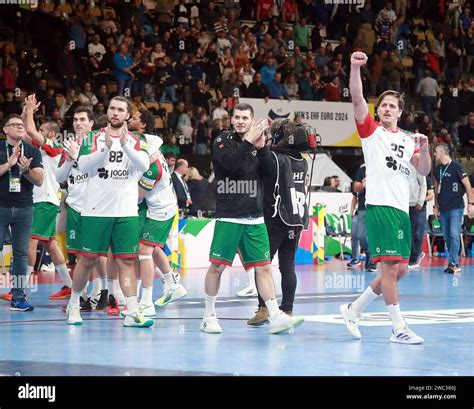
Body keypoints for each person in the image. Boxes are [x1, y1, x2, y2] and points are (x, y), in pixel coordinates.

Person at [340, 51, 431, 345]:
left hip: (401, 209)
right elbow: (356, 98)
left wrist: (426, 148)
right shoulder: (371, 132)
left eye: (393, 106)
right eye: (384, 105)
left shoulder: (407, 139)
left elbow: (424, 169)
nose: (388, 109)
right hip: (380, 207)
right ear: (378, 111)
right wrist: (355, 68)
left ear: (400, 112)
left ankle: (354, 309)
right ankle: (397, 328)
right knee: (390, 268)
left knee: (401, 269)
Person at [201, 103, 305, 334]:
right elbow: (232, 166)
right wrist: (249, 143)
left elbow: (270, 174)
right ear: (231, 120)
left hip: (256, 217)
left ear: (251, 120)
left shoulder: (257, 143)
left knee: (264, 268)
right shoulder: (222, 140)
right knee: (217, 266)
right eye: (237, 117)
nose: (240, 121)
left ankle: (275, 315)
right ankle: (208, 316)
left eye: (245, 118)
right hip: (229, 216)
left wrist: (264, 149)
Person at [64, 96, 151, 327]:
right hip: (95, 211)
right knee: (87, 260)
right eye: (112, 108)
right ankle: (74, 304)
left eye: (120, 109)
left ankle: (131, 311)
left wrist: (123, 145)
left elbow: (144, 166)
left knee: (127, 262)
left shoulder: (136, 140)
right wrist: (106, 148)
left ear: (127, 115)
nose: (115, 112)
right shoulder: (93, 137)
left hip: (126, 212)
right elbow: (82, 165)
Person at [246, 118, 311, 325]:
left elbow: (258, 165)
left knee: (262, 265)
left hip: (275, 218)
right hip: (295, 219)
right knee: (288, 265)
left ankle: (264, 309)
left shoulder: (273, 158)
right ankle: (288, 309)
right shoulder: (303, 160)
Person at [128, 108, 186, 316]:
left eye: (133, 118)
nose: (129, 119)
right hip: (158, 205)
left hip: (161, 209)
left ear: (143, 125)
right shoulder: (149, 144)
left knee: (144, 252)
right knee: (154, 247)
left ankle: (146, 302)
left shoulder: (153, 168)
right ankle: (171, 284)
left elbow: (138, 195)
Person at [56, 106, 109, 311]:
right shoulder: (68, 144)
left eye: (82, 120)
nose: (78, 123)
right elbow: (59, 178)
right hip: (75, 206)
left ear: (91, 123)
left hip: (95, 206)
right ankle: (84, 297)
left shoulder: (99, 142)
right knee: (80, 255)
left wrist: (78, 156)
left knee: (95, 254)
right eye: (75, 120)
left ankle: (104, 292)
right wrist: (69, 159)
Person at [21, 95, 72, 301]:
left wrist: (32, 112)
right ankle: (69, 285)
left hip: (45, 199)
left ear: (50, 133)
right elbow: (26, 133)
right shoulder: (42, 146)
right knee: (50, 243)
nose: (37, 134)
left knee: (30, 242)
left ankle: (20, 289)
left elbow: (31, 131)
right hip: (45, 199)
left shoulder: (54, 146)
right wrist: (26, 111)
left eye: (42, 131)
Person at [0, 114, 44, 311]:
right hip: (1, 207)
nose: (19, 127)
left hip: (25, 207)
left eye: (21, 124)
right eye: (14, 124)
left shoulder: (33, 150)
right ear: (5, 130)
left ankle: (18, 297)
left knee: (21, 254)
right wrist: (9, 164)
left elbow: (40, 180)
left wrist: (26, 170)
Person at [433, 144, 474, 273]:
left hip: (456, 208)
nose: (434, 154)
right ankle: (452, 262)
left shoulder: (457, 166)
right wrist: (436, 206)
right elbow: (436, 189)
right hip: (443, 209)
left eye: (436, 152)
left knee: (454, 234)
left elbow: (467, 185)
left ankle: (453, 263)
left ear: (442, 152)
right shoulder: (437, 169)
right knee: (447, 236)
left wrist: (471, 204)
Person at [346, 163, 376, 272]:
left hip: (375, 208)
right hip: (361, 208)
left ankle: (372, 257)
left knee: (364, 235)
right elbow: (355, 195)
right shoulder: (362, 171)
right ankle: (359, 257)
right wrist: (352, 211)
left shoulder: (380, 170)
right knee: (356, 234)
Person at [408, 174, 434, 269]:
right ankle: (414, 255)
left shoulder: (427, 180)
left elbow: (431, 195)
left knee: (418, 233)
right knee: (409, 233)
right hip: (408, 207)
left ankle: (415, 256)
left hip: (420, 208)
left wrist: (420, 200)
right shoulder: (408, 176)